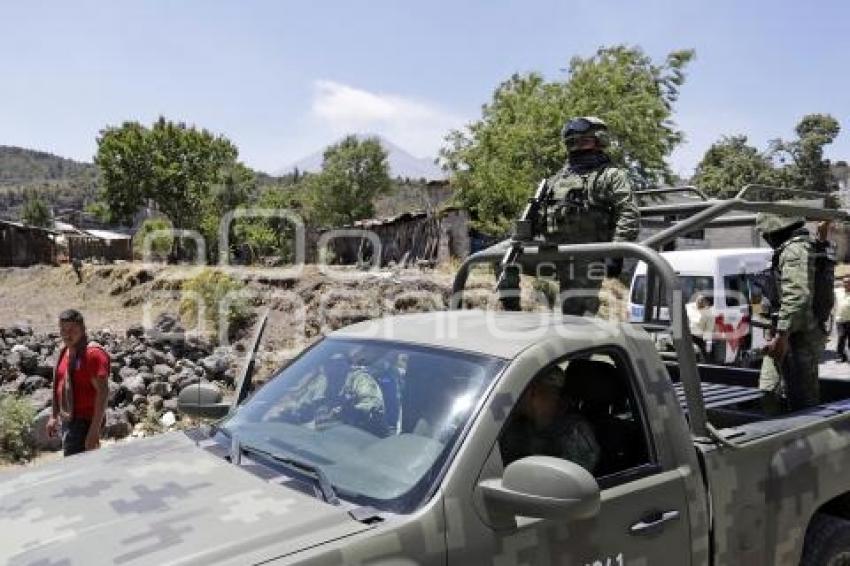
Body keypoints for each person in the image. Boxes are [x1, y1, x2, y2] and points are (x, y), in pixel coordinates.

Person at [547, 116, 640, 315]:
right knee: (502, 261)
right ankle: (509, 310)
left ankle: (582, 342)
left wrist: (614, 252)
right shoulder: (558, 178)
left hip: (587, 255)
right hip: (553, 251)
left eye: (584, 141)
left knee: (576, 311)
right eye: (572, 143)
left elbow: (628, 213)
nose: (577, 147)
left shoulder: (610, 175)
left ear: (600, 142)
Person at [757, 214, 824, 414]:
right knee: (769, 390)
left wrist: (782, 335)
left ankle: (803, 443)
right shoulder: (794, 248)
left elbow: (797, 296)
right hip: (783, 333)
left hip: (796, 337)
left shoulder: (795, 249)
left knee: (803, 403)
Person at [500, 365, 600, 473]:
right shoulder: (509, 416)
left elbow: (571, 482)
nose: (555, 398)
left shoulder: (575, 432)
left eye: (555, 393)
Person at [271, 354, 387, 435]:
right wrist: (289, 414)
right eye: (330, 364)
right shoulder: (322, 381)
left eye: (339, 364)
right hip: (326, 438)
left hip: (363, 436)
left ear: (346, 366)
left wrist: (351, 410)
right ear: (325, 367)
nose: (335, 369)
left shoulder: (359, 379)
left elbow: (373, 403)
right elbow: (305, 404)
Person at [46, 309, 110, 456]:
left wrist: (93, 432)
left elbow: (103, 393)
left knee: (79, 472)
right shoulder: (65, 352)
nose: (67, 334)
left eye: (72, 330)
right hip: (69, 421)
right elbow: (59, 384)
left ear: (83, 329)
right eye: (63, 330)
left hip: (85, 423)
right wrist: (54, 415)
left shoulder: (93, 354)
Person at [687, 294, 714, 361]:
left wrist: (708, 343)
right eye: (699, 300)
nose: (699, 302)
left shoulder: (709, 314)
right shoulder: (688, 307)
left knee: (704, 356)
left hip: (699, 338)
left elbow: (709, 329)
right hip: (687, 334)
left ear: (707, 303)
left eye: (702, 301)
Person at [835, 277, 850, 362]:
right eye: (844, 282)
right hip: (840, 319)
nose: (846, 284)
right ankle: (840, 355)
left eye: (848, 282)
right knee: (841, 337)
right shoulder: (838, 291)